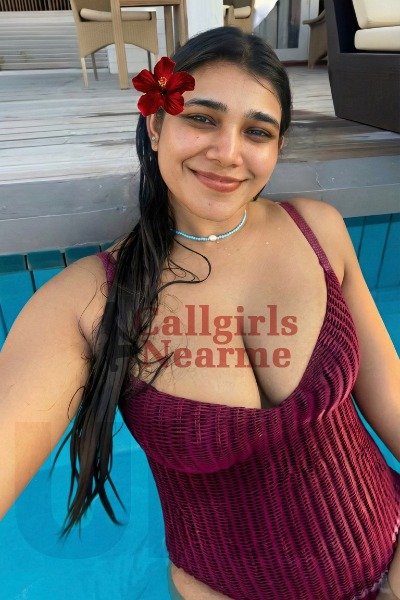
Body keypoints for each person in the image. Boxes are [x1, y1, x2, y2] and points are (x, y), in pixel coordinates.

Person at [1, 26, 399, 600]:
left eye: (257, 131)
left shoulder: (320, 232)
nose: (228, 152)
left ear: (277, 147)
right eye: (202, 118)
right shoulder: (88, 302)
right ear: (155, 125)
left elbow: (394, 402)